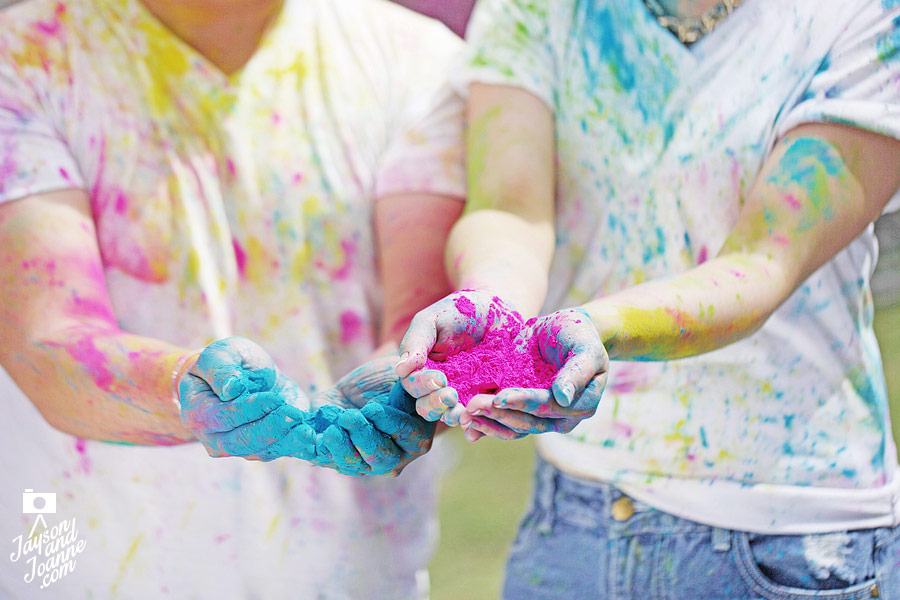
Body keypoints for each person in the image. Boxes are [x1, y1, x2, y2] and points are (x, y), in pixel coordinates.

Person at [398, 0, 900, 597]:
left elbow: (763, 262)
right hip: (575, 514)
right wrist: (491, 310)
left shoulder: (865, 16)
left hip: (784, 534)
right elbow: (510, 206)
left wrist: (592, 328)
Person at [0, 0, 465, 597]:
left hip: (355, 575)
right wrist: (187, 390)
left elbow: (428, 322)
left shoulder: (417, 62)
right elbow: (50, 341)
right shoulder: (25, 59)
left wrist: (408, 385)